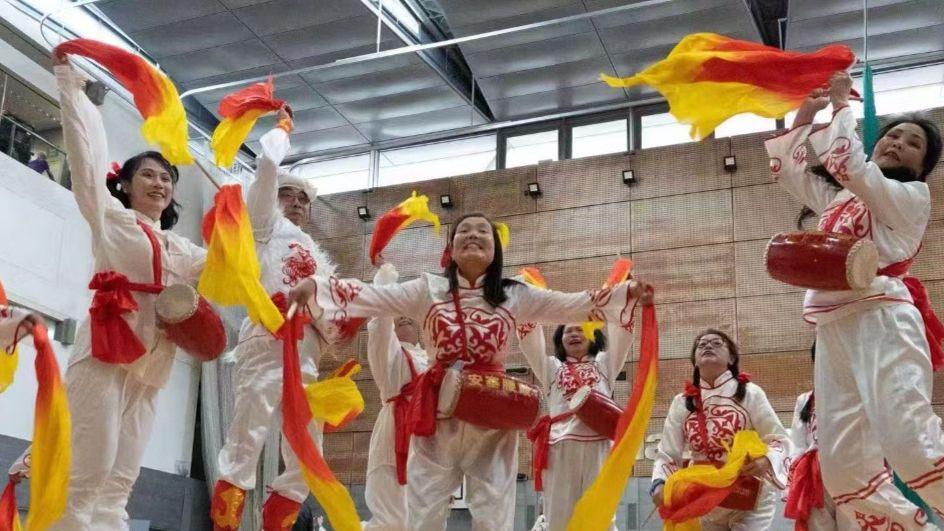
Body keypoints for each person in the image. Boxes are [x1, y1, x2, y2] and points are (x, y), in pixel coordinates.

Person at [285, 212, 654, 530]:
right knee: (422, 513)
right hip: (437, 414)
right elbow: (372, 296)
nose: (473, 235)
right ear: (451, 248)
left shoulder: (516, 294)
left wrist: (627, 293)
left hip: (492, 418)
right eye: (464, 231)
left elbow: (573, 304)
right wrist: (317, 287)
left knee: (493, 515)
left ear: (495, 250)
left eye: (482, 231)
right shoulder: (426, 289)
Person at [767, 71, 944, 526]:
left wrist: (842, 105)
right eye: (893, 135)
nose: (899, 143)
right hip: (833, 329)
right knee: (844, 469)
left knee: (912, 449)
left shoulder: (910, 196)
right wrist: (807, 111)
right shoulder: (839, 198)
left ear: (922, 166)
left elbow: (850, 165)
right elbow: (789, 169)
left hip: (883, 319)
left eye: (913, 143)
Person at [50, 52, 207, 530]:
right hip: (103, 357)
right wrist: (69, 89)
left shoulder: (183, 250)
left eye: (167, 178)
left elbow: (236, 269)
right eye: (148, 174)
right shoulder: (112, 219)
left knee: (121, 482)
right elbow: (86, 158)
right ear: (126, 185)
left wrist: (248, 220)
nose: (159, 183)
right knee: (86, 476)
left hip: (152, 368)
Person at [211, 108, 337, 530]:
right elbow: (266, 165)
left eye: (303, 200)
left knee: (306, 455)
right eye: (288, 195)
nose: (297, 204)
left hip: (306, 352)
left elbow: (335, 318)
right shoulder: (264, 226)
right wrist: (282, 131)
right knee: (246, 440)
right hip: (266, 337)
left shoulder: (317, 256)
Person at [650, 330, 790, 530]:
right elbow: (668, 452)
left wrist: (766, 459)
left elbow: (779, 438)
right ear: (695, 361)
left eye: (717, 343)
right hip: (704, 496)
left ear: (731, 358)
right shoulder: (681, 403)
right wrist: (659, 483)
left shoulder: (751, 393)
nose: (708, 346)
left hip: (748, 493)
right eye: (701, 344)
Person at [518, 320, 633, 531]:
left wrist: (622, 300)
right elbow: (530, 341)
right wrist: (528, 307)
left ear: (593, 337)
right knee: (558, 514)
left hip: (599, 444)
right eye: (568, 331)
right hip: (559, 445)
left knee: (601, 512)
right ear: (561, 340)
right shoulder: (551, 367)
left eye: (580, 329)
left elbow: (623, 335)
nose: (573, 333)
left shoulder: (605, 364)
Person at [363, 262, 429, 531]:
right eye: (397, 313)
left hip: (429, 435)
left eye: (409, 314)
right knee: (392, 515)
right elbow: (380, 326)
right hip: (395, 429)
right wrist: (386, 279)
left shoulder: (431, 359)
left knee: (425, 513)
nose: (404, 316)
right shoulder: (388, 352)